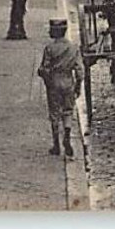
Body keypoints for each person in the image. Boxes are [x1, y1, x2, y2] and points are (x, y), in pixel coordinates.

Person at [37, 17, 83, 158]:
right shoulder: (73, 48)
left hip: (54, 83)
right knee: (68, 111)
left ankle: (56, 145)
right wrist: (78, 86)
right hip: (68, 81)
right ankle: (67, 135)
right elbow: (80, 70)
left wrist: (44, 76)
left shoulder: (49, 48)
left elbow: (44, 68)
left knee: (54, 113)